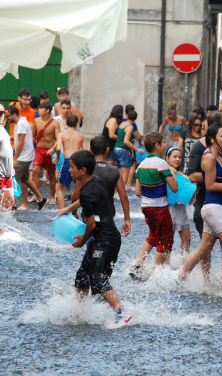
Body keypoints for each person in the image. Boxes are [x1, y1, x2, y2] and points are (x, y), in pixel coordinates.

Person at [64, 150, 133, 327]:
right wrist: (65, 210)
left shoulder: (87, 191)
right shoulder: (94, 182)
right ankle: (79, 313)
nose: (69, 170)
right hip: (102, 238)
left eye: (72, 167)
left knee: (97, 278)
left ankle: (121, 313)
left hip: (106, 240)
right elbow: (85, 202)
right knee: (82, 276)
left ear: (83, 170)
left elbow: (91, 225)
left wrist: (81, 241)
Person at [179, 122, 222, 294]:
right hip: (212, 207)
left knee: (204, 248)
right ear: (212, 139)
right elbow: (210, 185)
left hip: (216, 207)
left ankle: (179, 277)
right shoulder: (208, 157)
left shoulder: (220, 157)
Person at [59, 135, 131, 237]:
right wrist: (127, 218)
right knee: (104, 240)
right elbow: (123, 196)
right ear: (107, 149)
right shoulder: (115, 170)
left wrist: (73, 212)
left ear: (90, 150)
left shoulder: (86, 171)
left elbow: (76, 195)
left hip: (89, 215)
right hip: (108, 215)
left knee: (90, 240)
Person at [129, 132, 178, 279]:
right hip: (160, 208)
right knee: (166, 240)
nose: (165, 145)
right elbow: (174, 187)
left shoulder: (141, 166)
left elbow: (138, 192)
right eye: (163, 142)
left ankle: (137, 265)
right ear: (157, 146)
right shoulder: (162, 164)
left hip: (146, 207)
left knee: (153, 235)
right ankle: (155, 272)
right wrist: (172, 172)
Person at [5, 105, 46, 211]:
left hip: (24, 157)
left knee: (12, 179)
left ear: (14, 114)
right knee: (25, 179)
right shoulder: (19, 123)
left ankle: (13, 204)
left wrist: (15, 158)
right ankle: (41, 199)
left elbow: (21, 142)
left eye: (8, 116)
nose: (7, 119)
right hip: (26, 155)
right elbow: (19, 139)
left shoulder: (22, 124)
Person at [55, 113, 86, 210]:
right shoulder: (81, 136)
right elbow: (85, 150)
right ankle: (84, 211)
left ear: (65, 123)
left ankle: (62, 210)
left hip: (68, 161)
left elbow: (59, 148)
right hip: (79, 161)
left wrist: (57, 158)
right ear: (77, 124)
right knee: (81, 187)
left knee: (59, 186)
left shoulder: (62, 134)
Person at [31, 102, 59, 205]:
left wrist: (53, 149)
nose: (38, 111)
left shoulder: (55, 123)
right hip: (39, 149)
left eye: (41, 109)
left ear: (47, 110)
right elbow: (33, 137)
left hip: (50, 150)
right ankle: (36, 194)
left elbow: (58, 139)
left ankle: (52, 196)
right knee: (35, 170)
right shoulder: (36, 121)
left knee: (51, 175)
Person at [166, 147, 192, 257]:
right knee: (168, 239)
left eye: (180, 157)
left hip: (181, 208)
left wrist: (187, 197)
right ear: (167, 158)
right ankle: (165, 264)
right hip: (169, 208)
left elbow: (190, 195)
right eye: (174, 157)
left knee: (187, 237)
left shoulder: (182, 174)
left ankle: (184, 263)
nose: (177, 159)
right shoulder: (165, 172)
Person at [113, 110, 144, 185]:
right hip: (123, 151)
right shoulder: (130, 127)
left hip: (116, 149)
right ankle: (121, 193)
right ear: (135, 118)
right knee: (124, 175)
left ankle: (115, 193)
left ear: (127, 116)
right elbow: (126, 141)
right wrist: (137, 149)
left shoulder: (122, 124)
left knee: (118, 174)